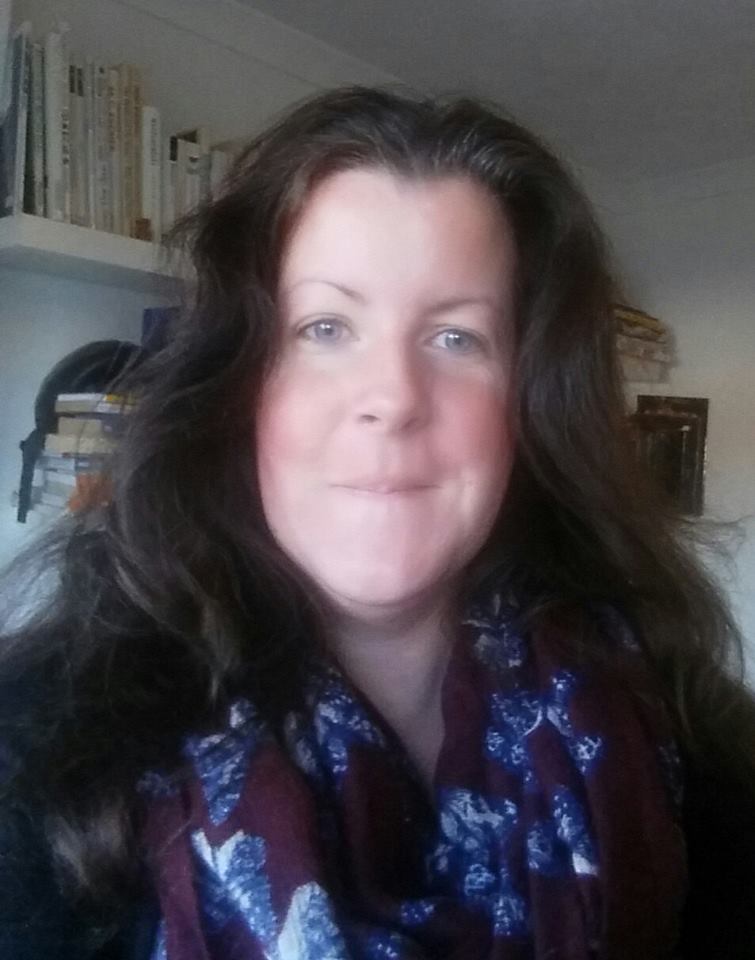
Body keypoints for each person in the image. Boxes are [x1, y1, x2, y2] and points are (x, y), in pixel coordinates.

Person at [1, 85, 754, 960]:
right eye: (325, 327)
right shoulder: (35, 751)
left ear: (530, 405)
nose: (393, 398)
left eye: (456, 338)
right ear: (239, 387)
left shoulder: (685, 723)